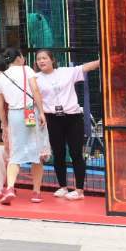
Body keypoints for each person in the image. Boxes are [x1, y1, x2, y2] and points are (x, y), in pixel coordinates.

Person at [34, 50, 100, 201]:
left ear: (52, 60)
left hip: (73, 118)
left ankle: (79, 190)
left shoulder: (66, 72)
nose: (41, 61)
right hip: (52, 118)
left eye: (44, 58)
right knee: (58, 153)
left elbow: (86, 67)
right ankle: (63, 186)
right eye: (38, 59)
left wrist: (103, 60)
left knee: (76, 153)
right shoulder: (36, 78)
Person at [0, 47, 47, 205]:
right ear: (19, 58)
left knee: (15, 152)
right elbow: (35, 90)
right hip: (30, 111)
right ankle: (36, 192)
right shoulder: (27, 70)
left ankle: (10, 187)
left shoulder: (0, 78)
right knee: (37, 151)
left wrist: (4, 123)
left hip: (14, 114)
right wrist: (42, 112)